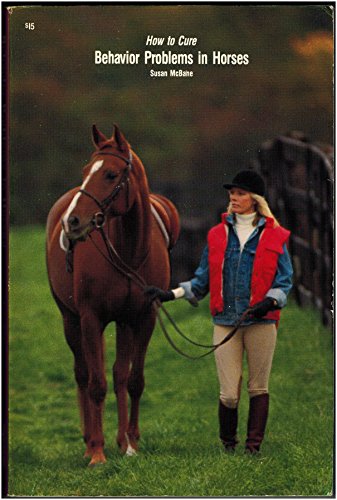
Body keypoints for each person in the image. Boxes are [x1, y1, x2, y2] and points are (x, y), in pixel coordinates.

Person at [145, 169, 293, 454]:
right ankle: (228, 444)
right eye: (232, 194)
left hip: (261, 321)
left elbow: (285, 279)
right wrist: (169, 294)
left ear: (255, 199)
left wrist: (271, 301)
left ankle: (253, 447)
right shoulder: (216, 235)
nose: (234, 198)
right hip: (225, 320)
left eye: (240, 193)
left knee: (258, 387)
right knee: (228, 393)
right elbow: (202, 280)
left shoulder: (276, 235)